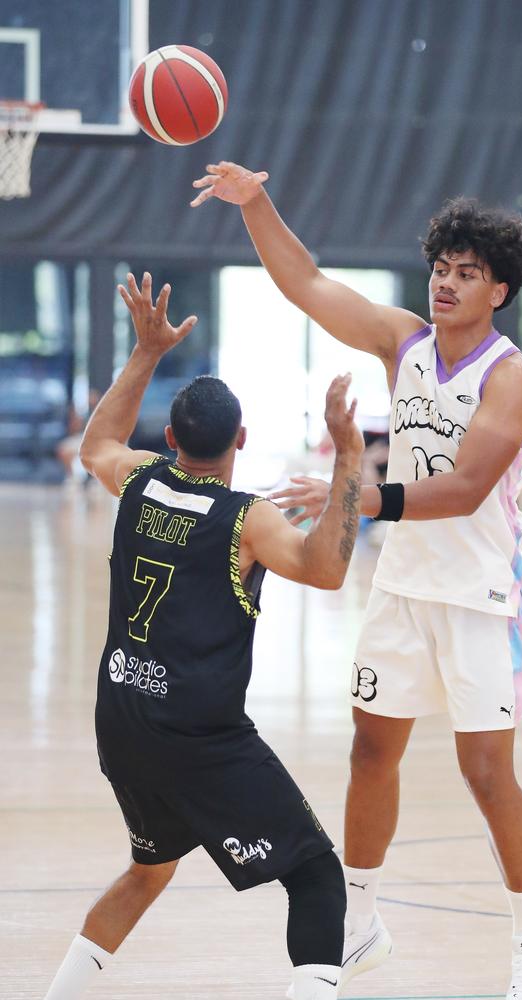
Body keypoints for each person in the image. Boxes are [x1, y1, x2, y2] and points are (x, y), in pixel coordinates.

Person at [191, 164, 522, 999]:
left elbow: (464, 488)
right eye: (441, 267)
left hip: (477, 599)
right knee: (369, 751)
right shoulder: (405, 343)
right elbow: (308, 282)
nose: (447, 283)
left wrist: (357, 492)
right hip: (401, 588)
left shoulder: (512, 378)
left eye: (468, 273)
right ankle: (361, 921)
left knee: (487, 776)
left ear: (498, 290)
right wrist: (258, 204)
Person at [43, 272, 364, 1000]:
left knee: (150, 868)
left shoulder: (137, 479)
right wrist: (347, 455)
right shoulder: (246, 520)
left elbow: (96, 444)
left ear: (170, 437)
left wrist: (146, 353)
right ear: (241, 440)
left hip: (122, 719)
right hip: (197, 735)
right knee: (315, 875)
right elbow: (327, 570)